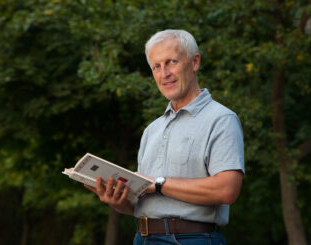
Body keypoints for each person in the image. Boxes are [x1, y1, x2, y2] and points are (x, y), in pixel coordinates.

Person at [85, 29, 245, 245]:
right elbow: (143, 202)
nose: (164, 74)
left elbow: (227, 190)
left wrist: (158, 183)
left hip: (191, 239)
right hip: (142, 238)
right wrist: (118, 202)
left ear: (195, 62)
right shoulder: (152, 129)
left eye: (171, 62)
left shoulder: (221, 119)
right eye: (156, 67)